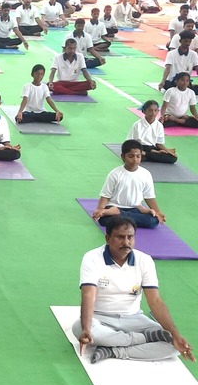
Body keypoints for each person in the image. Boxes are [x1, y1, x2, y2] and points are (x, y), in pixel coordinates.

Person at [72, 216, 194, 364]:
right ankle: (143, 339)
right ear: (108, 238)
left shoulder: (145, 260)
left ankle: (113, 350)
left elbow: (155, 301)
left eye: (130, 237)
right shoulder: (92, 258)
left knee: (174, 347)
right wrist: (86, 328)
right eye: (120, 237)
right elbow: (88, 295)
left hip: (134, 319)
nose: (126, 242)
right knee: (78, 328)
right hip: (100, 318)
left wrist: (175, 334)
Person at [92, 140, 165, 229]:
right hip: (113, 207)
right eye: (131, 156)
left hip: (135, 209)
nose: (135, 160)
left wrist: (157, 212)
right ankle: (117, 212)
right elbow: (105, 196)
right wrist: (100, 210)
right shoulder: (115, 173)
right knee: (104, 220)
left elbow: (149, 197)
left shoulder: (146, 174)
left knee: (153, 221)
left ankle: (120, 213)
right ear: (123, 157)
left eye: (138, 156)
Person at [127, 100, 177, 164]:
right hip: (139, 147)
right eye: (150, 110)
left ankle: (145, 155)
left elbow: (159, 143)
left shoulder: (159, 125)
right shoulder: (137, 125)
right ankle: (147, 155)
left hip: (152, 147)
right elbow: (130, 142)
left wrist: (166, 150)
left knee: (173, 158)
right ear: (144, 111)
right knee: (131, 154)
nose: (153, 113)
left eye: (155, 110)